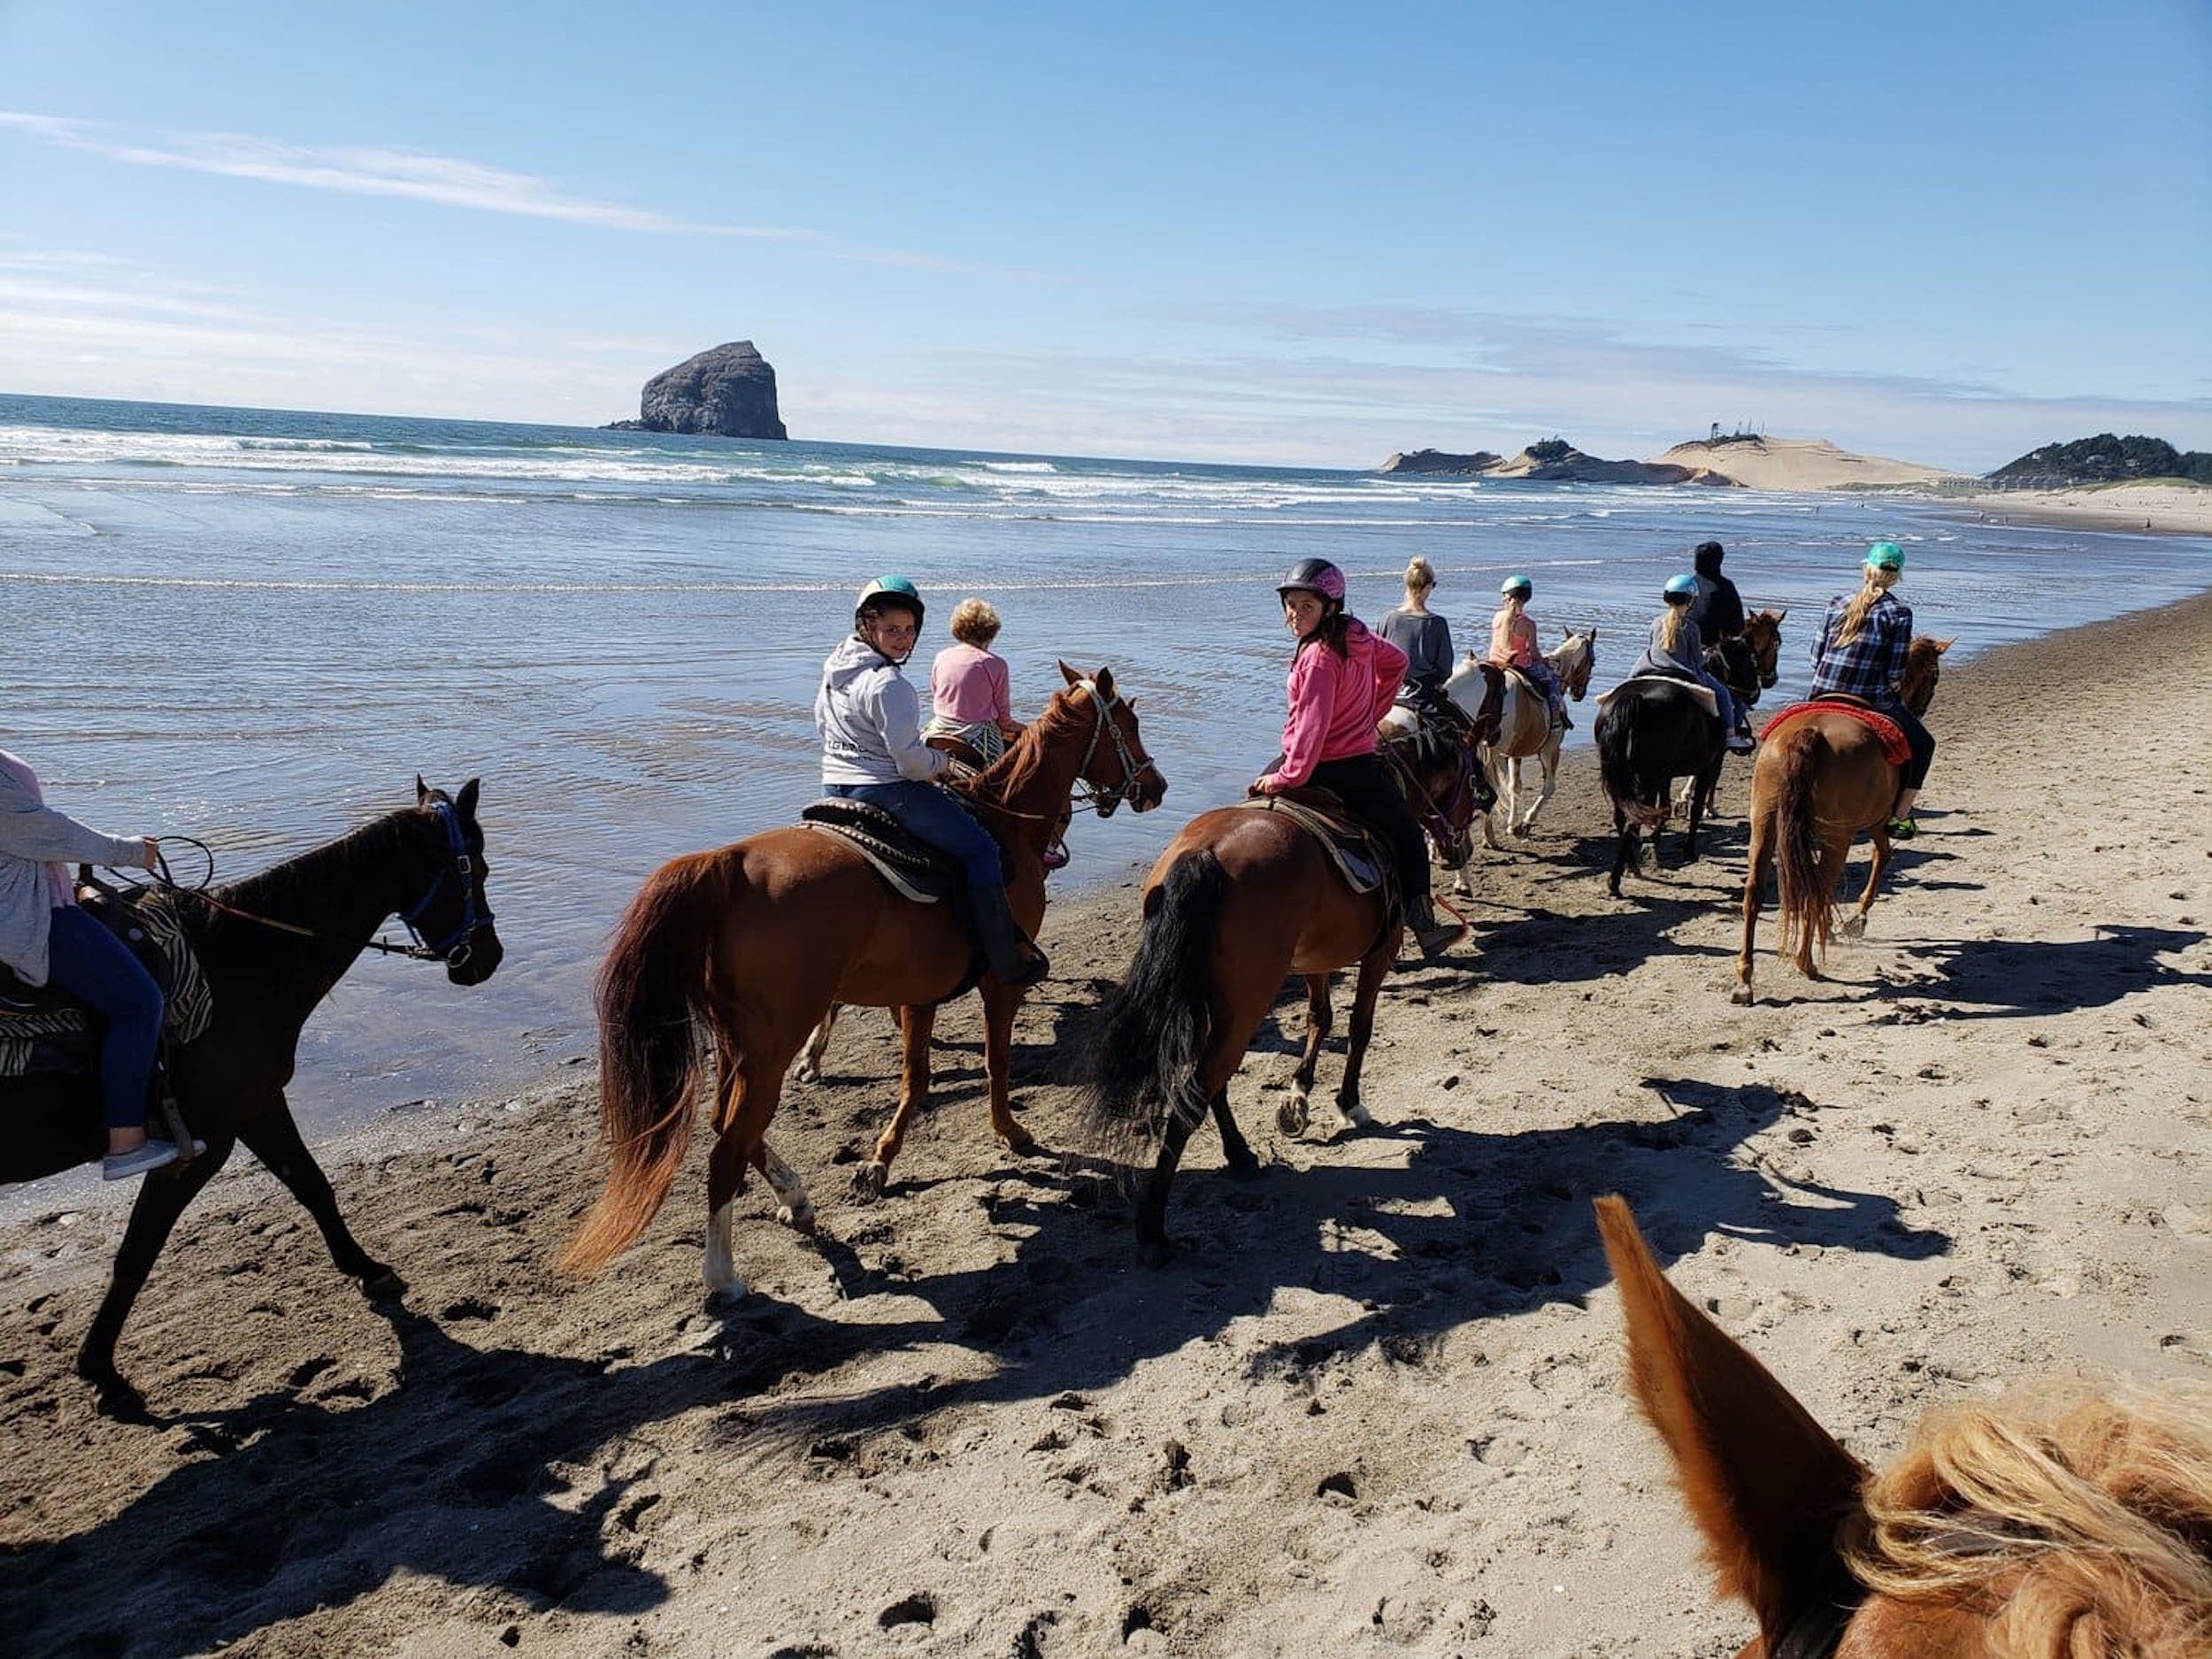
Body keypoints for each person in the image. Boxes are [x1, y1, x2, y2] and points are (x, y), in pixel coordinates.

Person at [818, 576, 1048, 986]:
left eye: (909, 630)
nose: (902, 640)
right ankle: (1005, 958)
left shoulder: (834, 671)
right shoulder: (888, 683)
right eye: (892, 629)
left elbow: (823, 727)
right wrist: (941, 762)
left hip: (833, 786)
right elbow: (910, 765)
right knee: (980, 849)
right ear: (867, 625)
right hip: (888, 789)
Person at [1251, 557, 1465, 959]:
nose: (1294, 615)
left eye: (1306, 607)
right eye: (1290, 605)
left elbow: (1312, 731)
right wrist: (1370, 715)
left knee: (1406, 833)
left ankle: (1421, 925)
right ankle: (1423, 923)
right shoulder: (1357, 634)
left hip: (1327, 768)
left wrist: (1286, 777)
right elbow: (1397, 663)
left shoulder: (1317, 659)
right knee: (1406, 835)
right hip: (1352, 761)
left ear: (1330, 606)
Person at [0, 749, 181, 1179]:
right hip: (28, 915)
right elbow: (45, 831)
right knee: (139, 1002)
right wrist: (130, 852)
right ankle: (126, 1140)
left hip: (39, 894)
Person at [1809, 541, 1935, 837]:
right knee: (1924, 744)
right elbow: (1894, 671)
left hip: (1820, 690)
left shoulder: (1837, 602)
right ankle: (1901, 816)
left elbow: (1815, 656)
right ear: (1897, 575)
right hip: (1870, 696)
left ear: (1867, 569)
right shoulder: (1899, 612)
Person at [1630, 575, 1757, 755]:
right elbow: (1698, 660)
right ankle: (1730, 735)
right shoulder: (1690, 627)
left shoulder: (1656, 623)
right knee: (1723, 694)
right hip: (1682, 672)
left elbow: (1652, 647)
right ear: (1690, 600)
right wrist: (1706, 656)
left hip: (1652, 667)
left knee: (1629, 684)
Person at [926, 597, 1025, 766]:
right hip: (976, 736)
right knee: (1005, 768)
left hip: (939, 730)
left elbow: (936, 694)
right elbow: (1004, 719)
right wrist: (1025, 729)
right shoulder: (995, 664)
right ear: (991, 631)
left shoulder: (941, 657)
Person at [1376, 557, 1455, 718]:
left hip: (1389, 691)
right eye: (1433, 585)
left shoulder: (1388, 618)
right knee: (1459, 731)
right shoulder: (1437, 623)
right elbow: (1445, 669)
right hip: (1421, 695)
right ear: (1426, 587)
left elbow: (1375, 658)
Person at [1488, 573, 1568, 728]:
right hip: (1519, 664)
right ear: (1526, 598)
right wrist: (1545, 661)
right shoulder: (1528, 624)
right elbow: (1534, 653)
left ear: (1506, 596)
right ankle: (1556, 718)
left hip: (1494, 660)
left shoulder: (1497, 617)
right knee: (1553, 681)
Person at [1686, 540, 1746, 640]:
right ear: (1719, 560)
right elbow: (1736, 628)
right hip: (1710, 646)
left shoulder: (1686, 584)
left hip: (1681, 640)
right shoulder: (1724, 587)